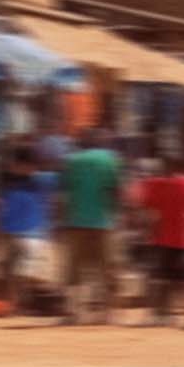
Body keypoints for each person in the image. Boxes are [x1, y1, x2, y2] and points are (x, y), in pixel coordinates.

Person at [58, 128, 123, 325]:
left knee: (74, 269)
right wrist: (118, 215)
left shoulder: (71, 161)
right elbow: (116, 190)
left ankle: (72, 313)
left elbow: (63, 193)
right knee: (108, 268)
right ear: (100, 142)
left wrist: (61, 219)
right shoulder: (111, 159)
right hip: (103, 222)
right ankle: (109, 314)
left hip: (76, 221)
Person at [138, 154, 184, 330]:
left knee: (163, 279)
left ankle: (161, 315)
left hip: (164, 239)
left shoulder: (157, 184)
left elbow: (145, 204)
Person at [0, 143, 57, 315]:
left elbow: (61, 180)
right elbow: (4, 206)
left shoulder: (42, 180)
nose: (13, 167)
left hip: (33, 234)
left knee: (25, 273)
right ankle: (12, 306)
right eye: (14, 165)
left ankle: (22, 304)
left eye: (17, 164)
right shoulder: (9, 182)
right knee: (10, 272)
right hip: (12, 231)